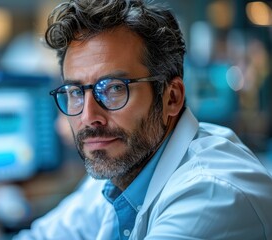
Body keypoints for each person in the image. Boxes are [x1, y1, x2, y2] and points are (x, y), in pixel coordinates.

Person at [14, 0, 272, 239]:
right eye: (75, 92)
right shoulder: (120, 173)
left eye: (114, 88)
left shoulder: (213, 194)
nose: (89, 117)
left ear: (171, 97)